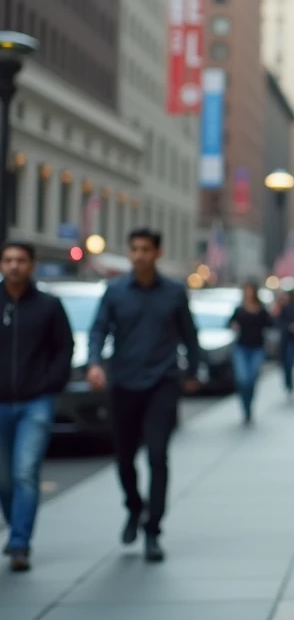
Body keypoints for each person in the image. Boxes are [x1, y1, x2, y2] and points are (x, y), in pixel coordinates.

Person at [87, 228, 201, 563]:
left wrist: (192, 371)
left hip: (162, 382)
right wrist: (95, 362)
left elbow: (188, 334)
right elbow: (98, 329)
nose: (139, 255)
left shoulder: (174, 292)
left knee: (157, 456)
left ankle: (153, 531)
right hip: (123, 383)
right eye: (134, 249)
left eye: (146, 249)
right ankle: (134, 507)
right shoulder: (115, 290)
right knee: (124, 459)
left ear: (157, 252)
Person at [0, 243, 72, 572]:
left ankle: (19, 543)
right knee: (4, 479)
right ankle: (16, 526)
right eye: (8, 260)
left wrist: (50, 384)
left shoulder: (48, 305)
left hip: (35, 402)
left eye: (20, 260)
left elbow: (64, 348)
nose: (14, 266)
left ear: (31, 265)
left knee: (25, 472)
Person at [229, 281, 273, 425]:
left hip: (257, 348)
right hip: (241, 347)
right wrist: (233, 326)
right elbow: (229, 323)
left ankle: (249, 406)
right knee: (242, 379)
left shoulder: (261, 310)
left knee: (252, 379)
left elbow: (271, 324)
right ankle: (245, 406)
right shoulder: (239, 309)